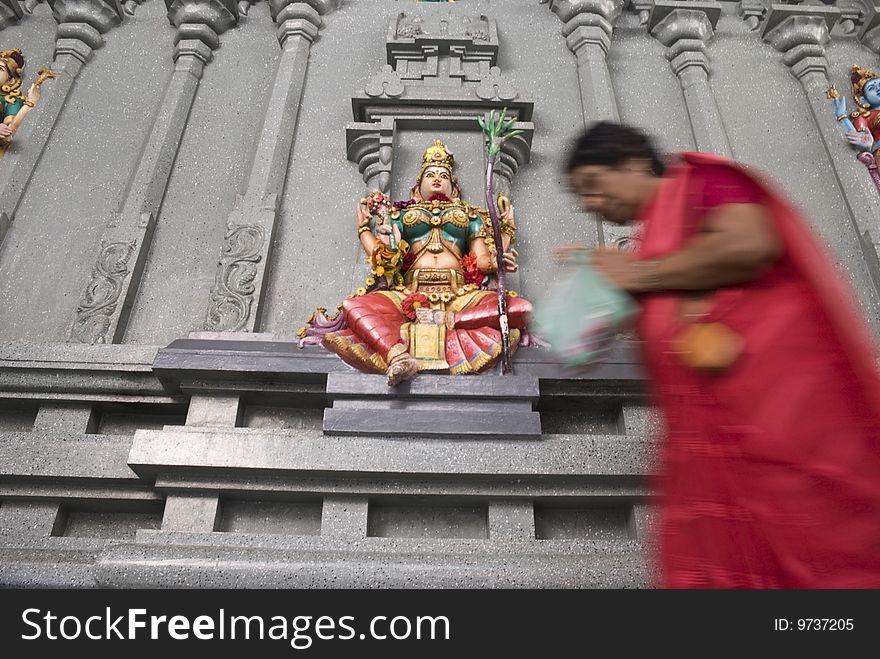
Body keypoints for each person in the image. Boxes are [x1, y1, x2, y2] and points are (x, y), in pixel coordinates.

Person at [561, 120, 880, 588]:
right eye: (580, 197)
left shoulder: (705, 182)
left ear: (631, 162)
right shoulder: (649, 242)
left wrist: (638, 277)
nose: (589, 203)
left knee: (823, 553)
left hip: (779, 414)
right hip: (708, 440)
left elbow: (751, 243)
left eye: (592, 185)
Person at [300, 139, 531, 385]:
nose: (437, 179)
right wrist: (365, 229)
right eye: (430, 175)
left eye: (444, 175)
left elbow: (482, 259)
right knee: (353, 307)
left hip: (460, 296)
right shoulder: (400, 215)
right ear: (417, 187)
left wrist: (498, 258)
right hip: (408, 292)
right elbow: (384, 256)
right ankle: (397, 355)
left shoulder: (468, 216)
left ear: (454, 188)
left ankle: (451, 321)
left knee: (519, 308)